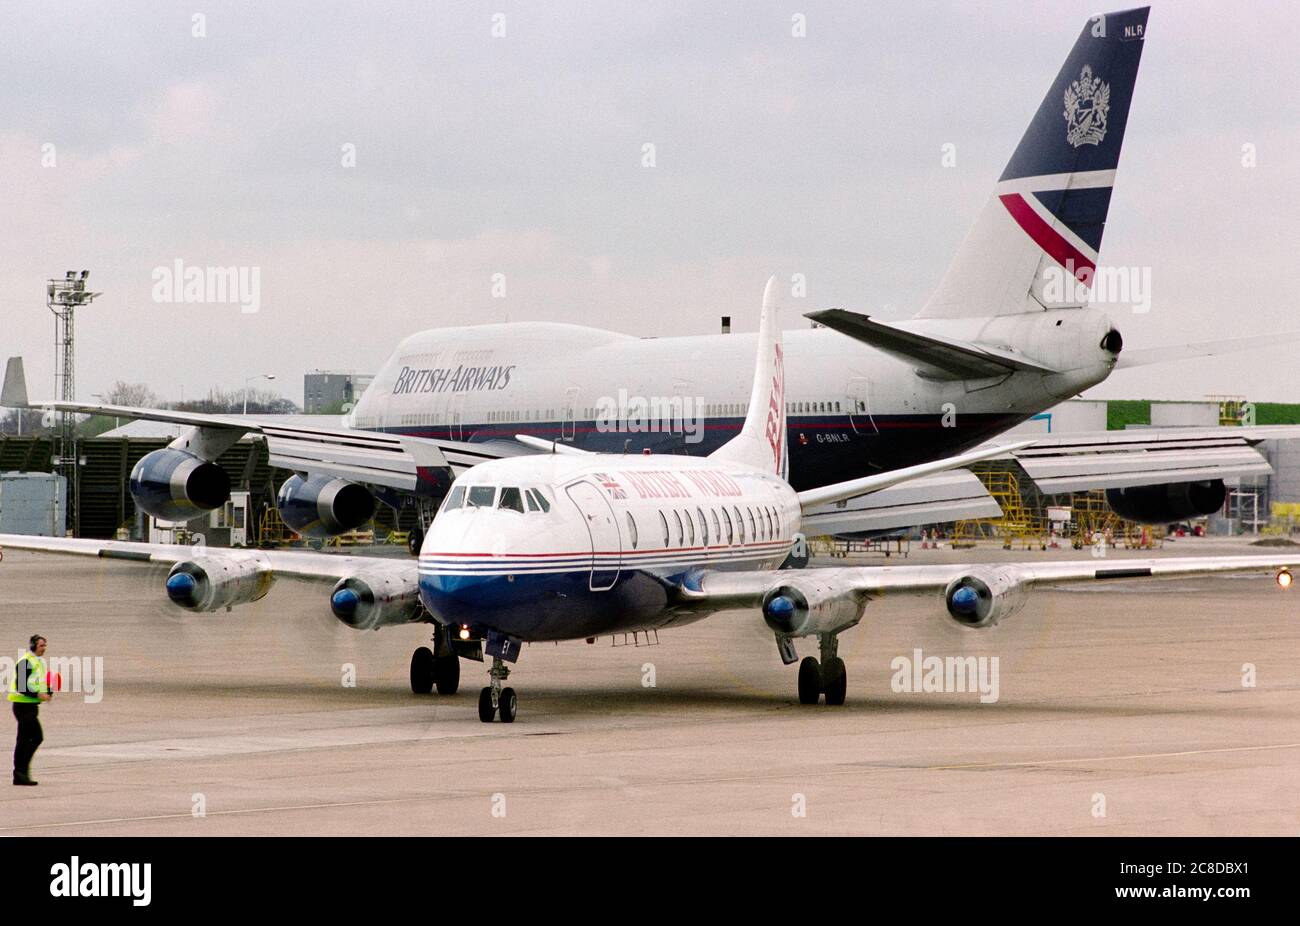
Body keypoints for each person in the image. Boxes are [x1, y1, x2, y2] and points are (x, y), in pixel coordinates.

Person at [9, 634, 50, 786]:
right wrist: (38, 694)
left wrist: (49, 691)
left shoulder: (39, 662)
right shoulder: (25, 662)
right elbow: (21, 686)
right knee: (35, 737)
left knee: (24, 739)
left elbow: (41, 681)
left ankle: (20, 774)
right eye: (41, 646)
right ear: (33, 646)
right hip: (22, 705)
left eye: (45, 646)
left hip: (32, 706)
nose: (44, 649)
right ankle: (21, 771)